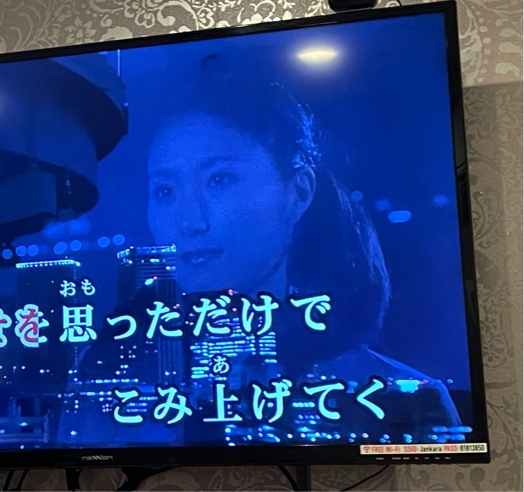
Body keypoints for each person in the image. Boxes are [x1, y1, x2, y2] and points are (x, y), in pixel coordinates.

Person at [75, 51, 461, 443]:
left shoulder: (402, 398)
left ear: (299, 191)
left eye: (220, 179)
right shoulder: (115, 382)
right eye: (165, 190)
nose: (189, 221)